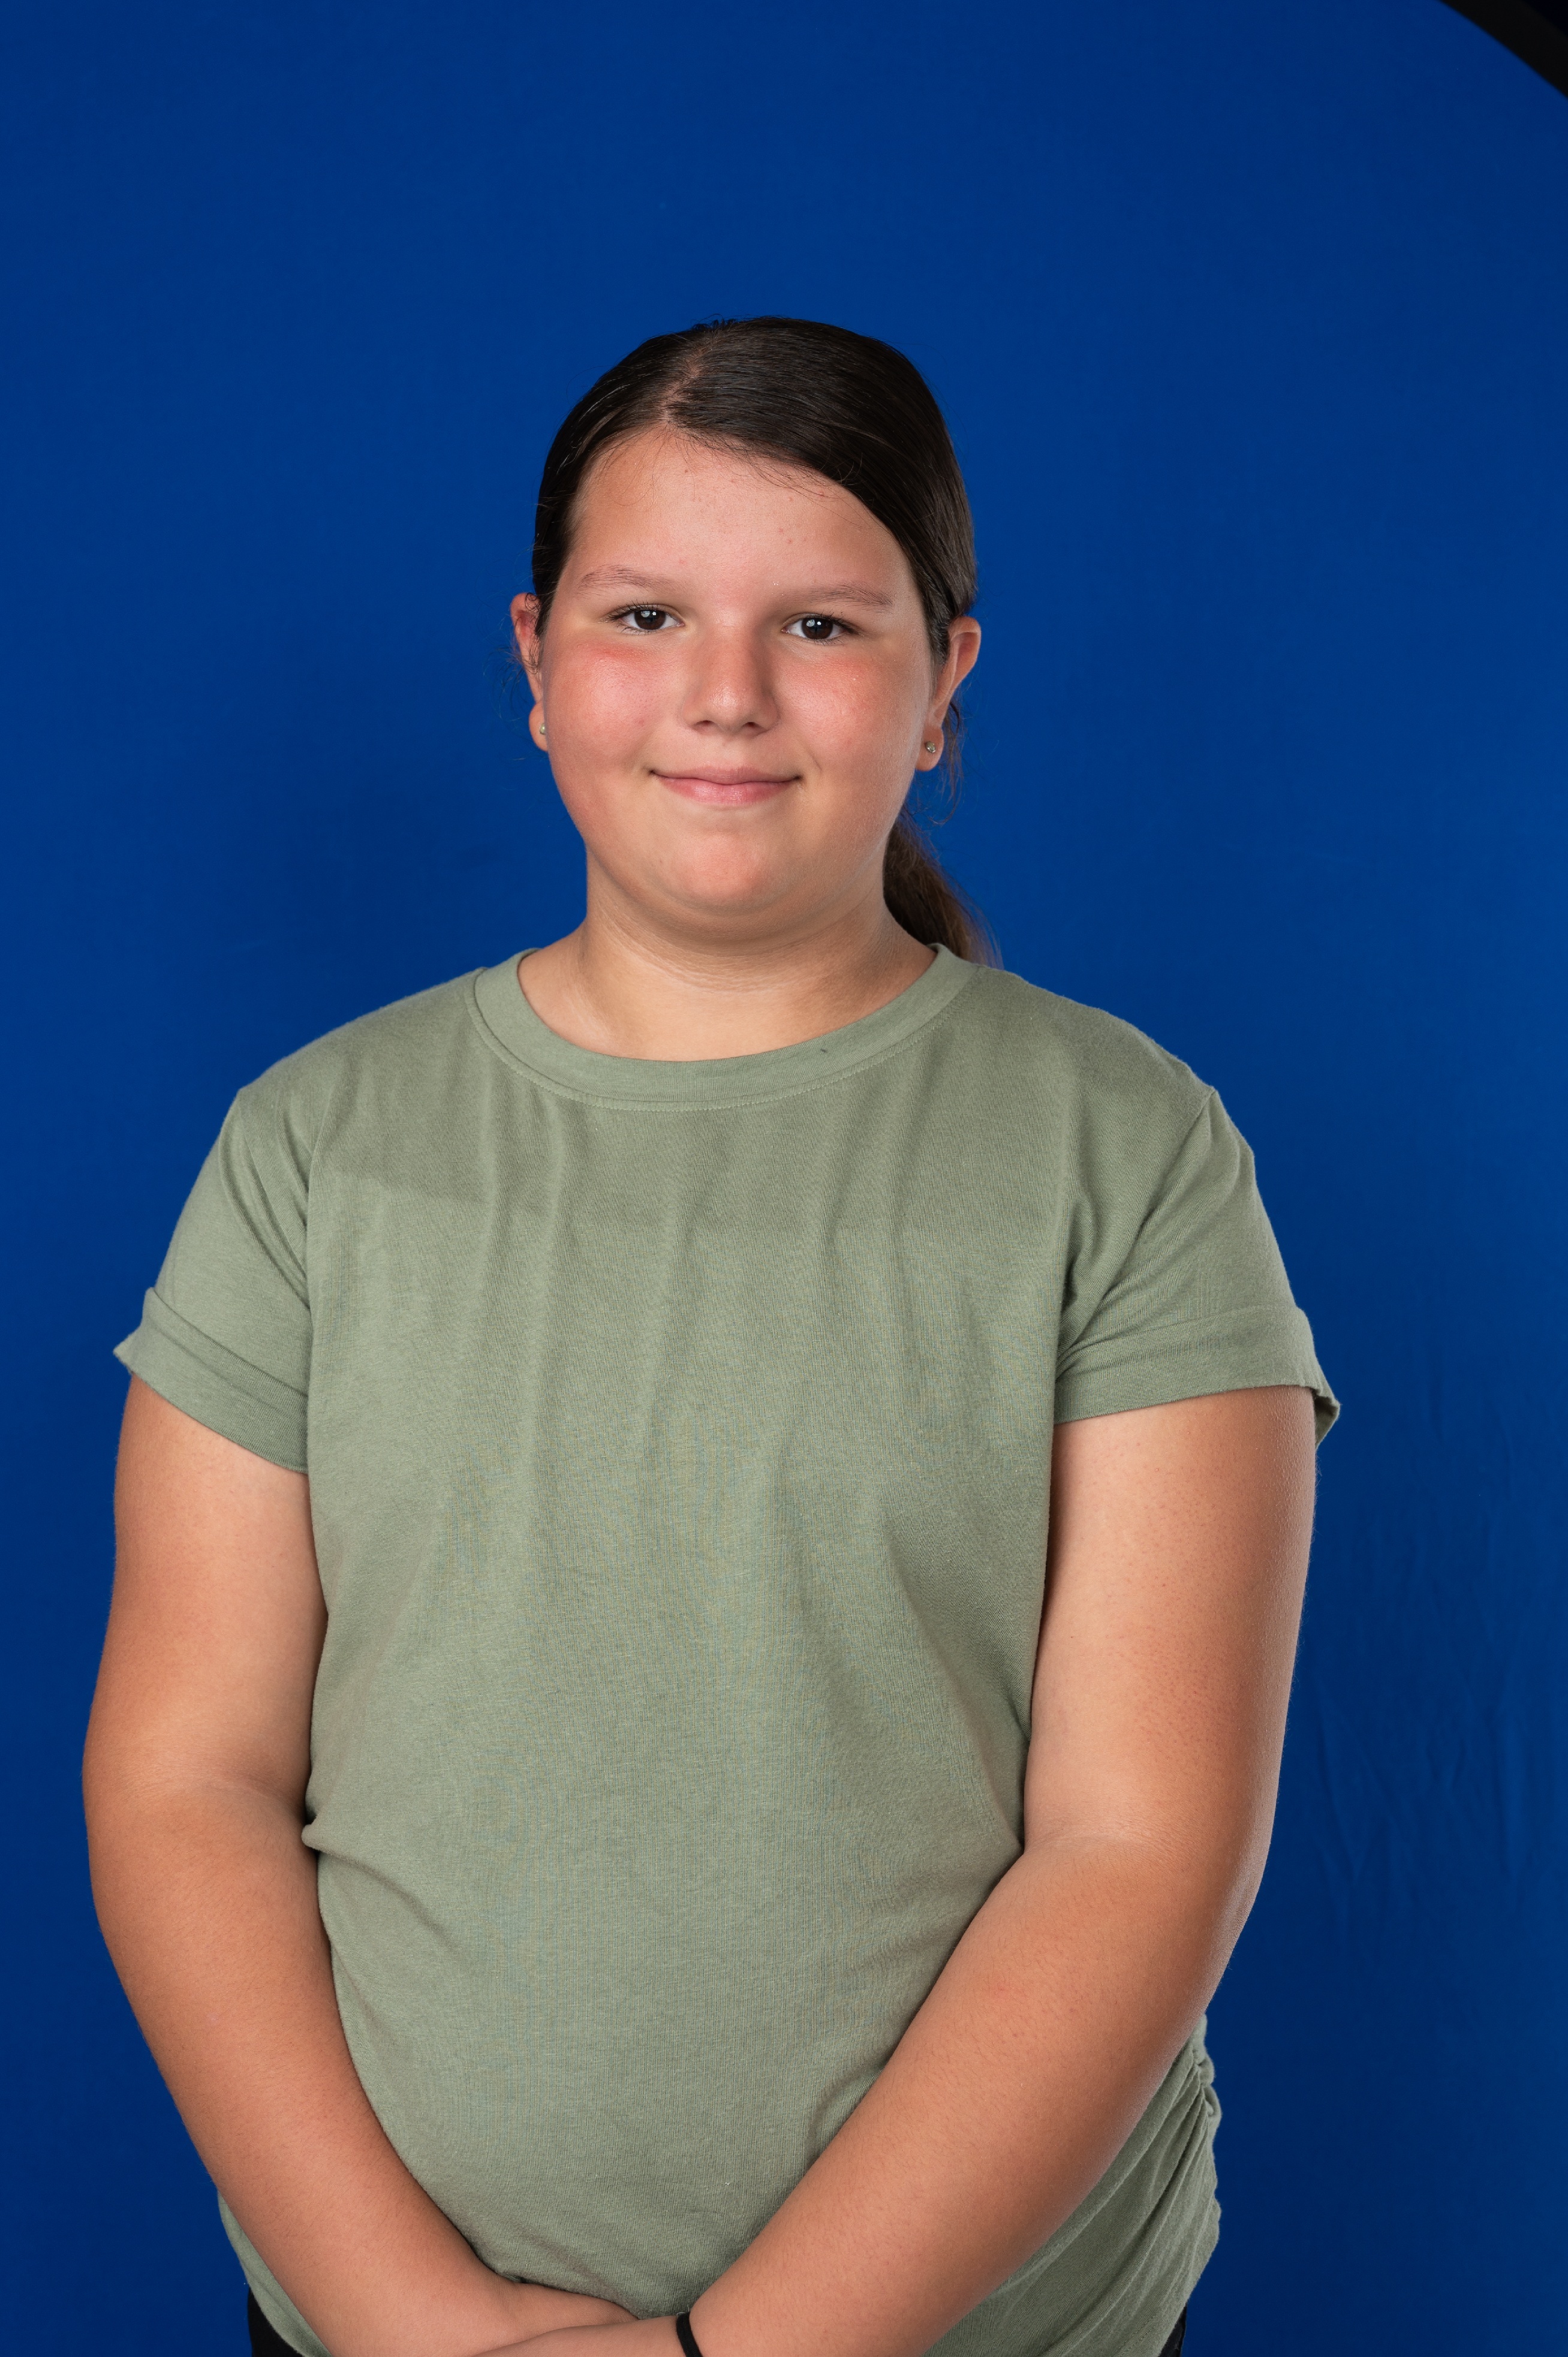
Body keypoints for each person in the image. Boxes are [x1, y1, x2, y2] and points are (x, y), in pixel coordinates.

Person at [85, 316, 1335, 2357]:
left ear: (945, 678)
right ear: (535, 658)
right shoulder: (313, 1152)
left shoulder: (1128, 1151)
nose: (726, 692)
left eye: (822, 625)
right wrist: (420, 2323)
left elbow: (1143, 1844)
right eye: (646, 612)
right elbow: (184, 1776)